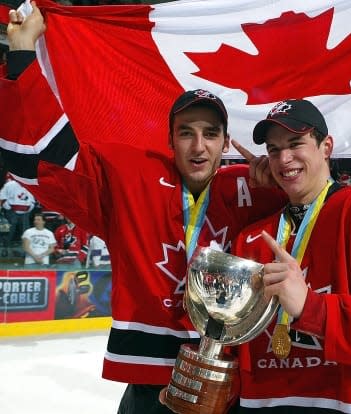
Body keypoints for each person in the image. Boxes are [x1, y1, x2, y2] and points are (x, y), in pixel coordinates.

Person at [2, 4, 287, 413]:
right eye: (186, 133)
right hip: (148, 381)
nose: (198, 145)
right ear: (170, 142)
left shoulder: (253, 189)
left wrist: (281, 179)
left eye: (210, 134)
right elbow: (43, 160)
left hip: (227, 380)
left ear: (226, 143)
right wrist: (22, 49)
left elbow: (315, 208)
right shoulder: (131, 179)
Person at [200, 99, 351, 412]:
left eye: (295, 144)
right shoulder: (251, 240)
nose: (283, 158)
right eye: (274, 150)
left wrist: (312, 308)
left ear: (326, 146)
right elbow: (240, 354)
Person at [0, 173, 37, 245]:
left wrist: (29, 208)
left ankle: (27, 246)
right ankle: (5, 246)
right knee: (9, 229)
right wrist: (8, 208)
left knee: (26, 230)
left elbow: (32, 200)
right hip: (12, 212)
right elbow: (2, 197)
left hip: (25, 212)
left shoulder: (28, 184)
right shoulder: (9, 185)